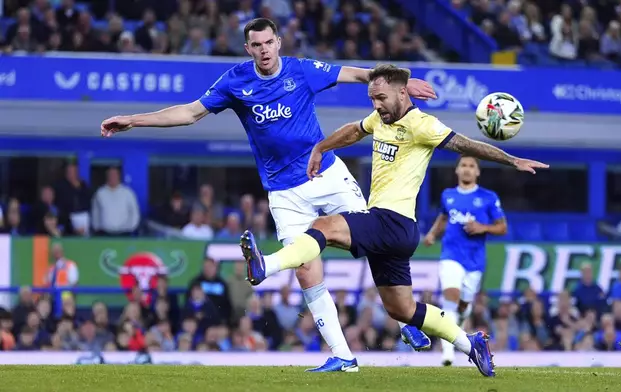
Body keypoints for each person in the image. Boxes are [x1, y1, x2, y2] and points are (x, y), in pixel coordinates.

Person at [99, 18, 436, 372]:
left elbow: (352, 74)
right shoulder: (235, 81)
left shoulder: (302, 70)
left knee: (375, 236)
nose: (263, 50)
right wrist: (133, 120)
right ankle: (343, 356)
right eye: (256, 45)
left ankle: (405, 323)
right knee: (305, 269)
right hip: (284, 192)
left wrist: (400, 83)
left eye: (268, 43)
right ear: (248, 49)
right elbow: (189, 112)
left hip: (327, 175)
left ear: (279, 42)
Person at [241, 64, 549, 377]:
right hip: (394, 232)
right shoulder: (381, 117)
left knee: (322, 227)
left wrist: (512, 160)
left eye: (381, 98)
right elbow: (355, 129)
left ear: (403, 92)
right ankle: (471, 344)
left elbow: (467, 144)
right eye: (372, 98)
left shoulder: (422, 125)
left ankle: (267, 265)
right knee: (402, 309)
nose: (376, 104)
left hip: (392, 220)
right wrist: (322, 146)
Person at [423, 155, 507, 366]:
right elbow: (443, 217)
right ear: (457, 170)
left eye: (471, 166)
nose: (467, 169)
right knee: (451, 295)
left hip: (475, 259)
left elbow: (502, 227)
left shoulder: (488, 197)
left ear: (477, 172)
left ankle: (460, 319)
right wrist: (433, 234)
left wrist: (482, 227)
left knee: (463, 305)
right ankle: (448, 352)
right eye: (463, 165)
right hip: (451, 254)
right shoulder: (448, 195)